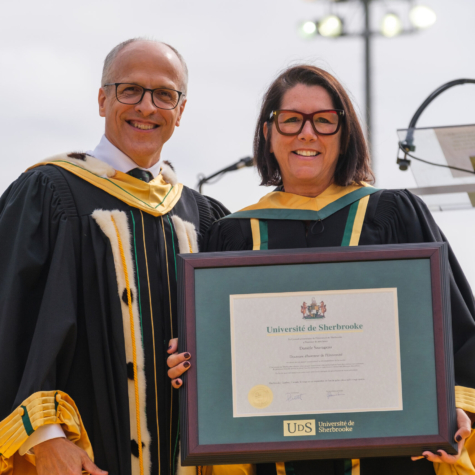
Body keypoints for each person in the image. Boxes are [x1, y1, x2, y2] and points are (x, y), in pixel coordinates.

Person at [170, 65, 475, 475]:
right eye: (291, 120)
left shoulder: (394, 214)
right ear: (268, 133)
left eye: (324, 121)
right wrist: (189, 362)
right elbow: (219, 363)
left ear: (344, 133)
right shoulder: (234, 235)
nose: (307, 134)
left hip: (390, 459)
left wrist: (453, 409)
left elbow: (457, 332)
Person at [0, 38, 228, 475]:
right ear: (103, 99)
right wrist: (44, 440)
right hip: (82, 461)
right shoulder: (49, 194)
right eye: (130, 90)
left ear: (180, 111)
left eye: (164, 94)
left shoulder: (202, 216)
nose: (147, 106)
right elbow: (11, 318)